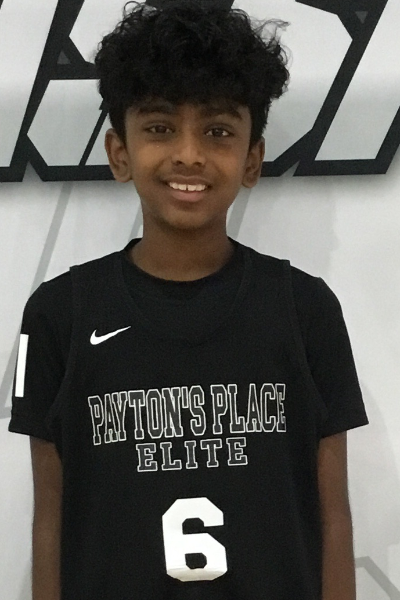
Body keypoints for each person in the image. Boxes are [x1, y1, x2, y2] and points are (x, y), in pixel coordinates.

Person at [9, 1, 368, 599]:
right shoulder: (57, 315)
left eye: (218, 131)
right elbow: (51, 521)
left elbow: (333, 519)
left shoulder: (307, 310)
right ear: (119, 152)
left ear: (251, 159)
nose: (189, 154)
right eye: (159, 128)